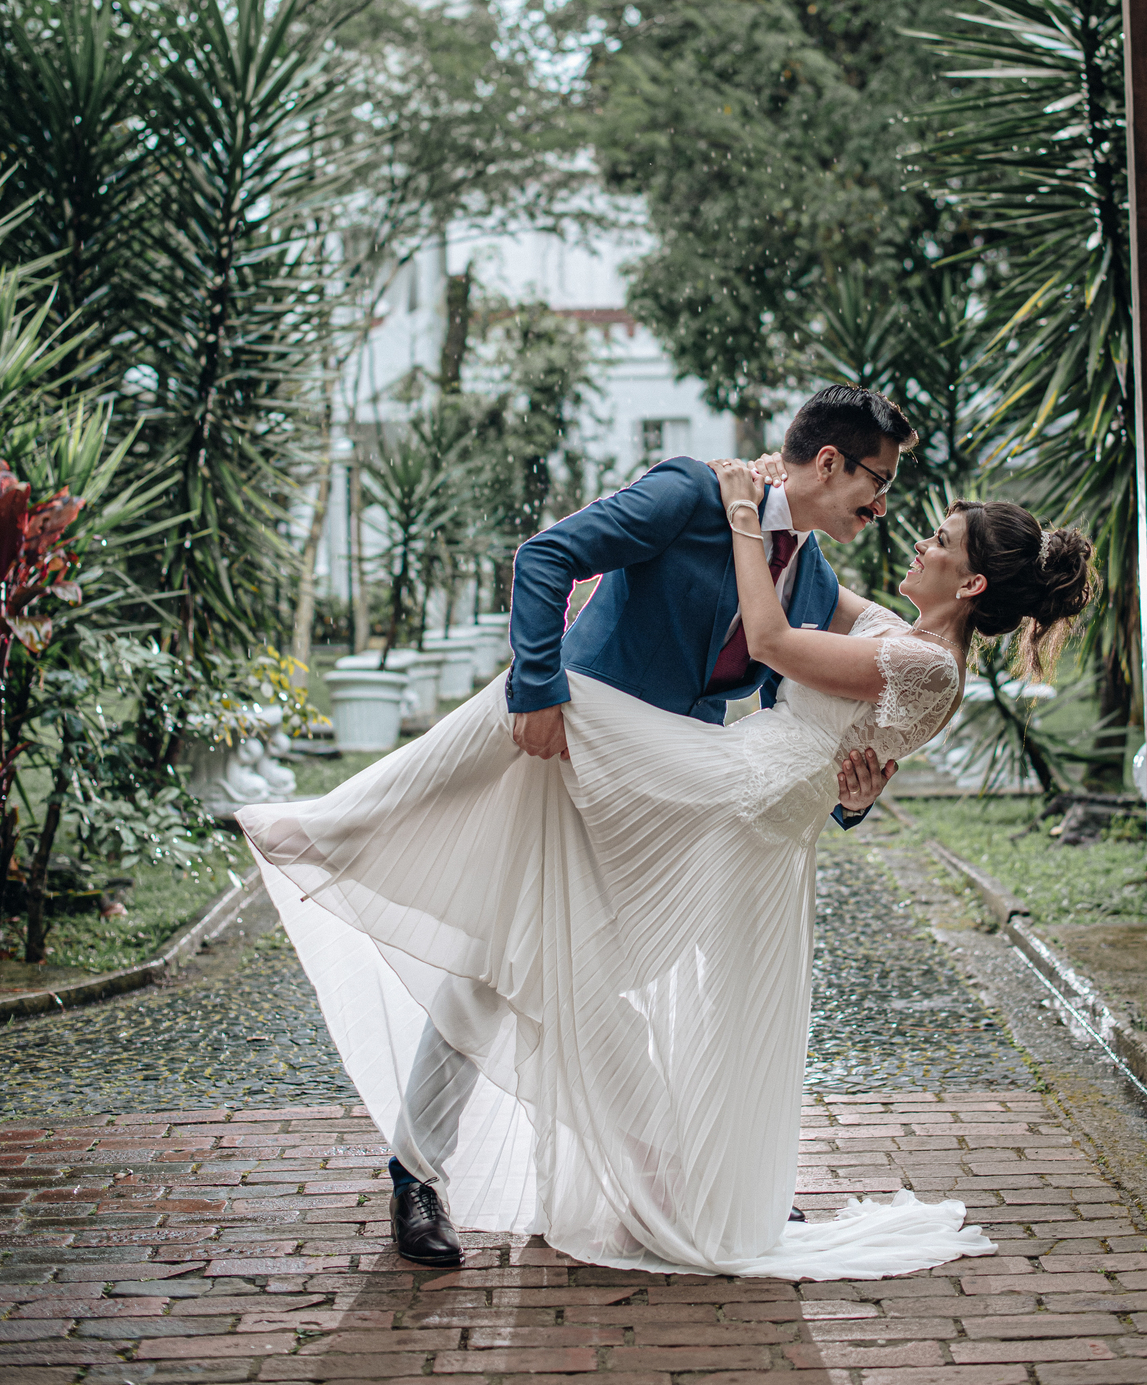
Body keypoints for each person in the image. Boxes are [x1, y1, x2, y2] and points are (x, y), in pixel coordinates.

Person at [239, 393, 1093, 1282]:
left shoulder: (807, 574)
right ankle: (422, 1157)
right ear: (829, 462)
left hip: (678, 795)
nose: (884, 509)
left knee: (559, 969)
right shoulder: (690, 492)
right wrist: (537, 689)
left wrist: (853, 794)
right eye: (878, 482)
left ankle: (691, 1183)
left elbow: (847, 704)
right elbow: (546, 557)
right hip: (580, 746)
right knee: (502, 954)